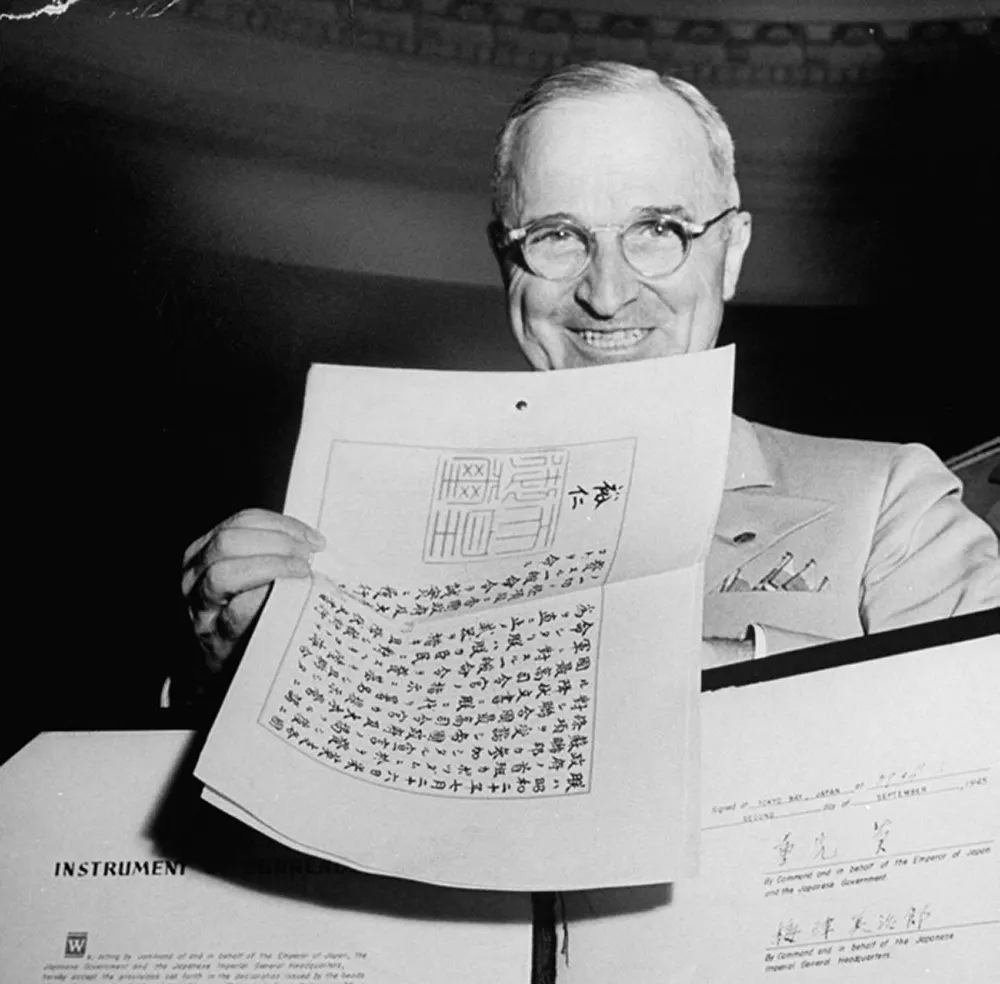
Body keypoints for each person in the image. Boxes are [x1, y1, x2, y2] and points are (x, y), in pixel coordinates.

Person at [178, 61, 1000, 699]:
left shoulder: (890, 503)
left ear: (734, 250)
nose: (607, 294)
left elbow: (969, 755)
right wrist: (238, 671)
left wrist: (675, 673)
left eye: (658, 230)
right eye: (558, 236)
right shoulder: (368, 515)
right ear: (506, 261)